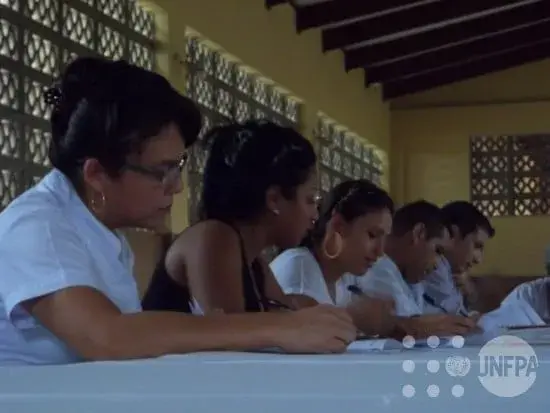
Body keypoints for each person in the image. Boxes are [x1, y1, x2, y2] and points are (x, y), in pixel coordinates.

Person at [0, 57, 356, 365]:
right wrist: (278, 327)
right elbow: (106, 336)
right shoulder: (38, 225)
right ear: (96, 174)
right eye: (162, 171)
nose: (177, 186)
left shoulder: (103, 234)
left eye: (179, 167)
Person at [142, 120, 323, 315]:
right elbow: (233, 332)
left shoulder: (255, 263)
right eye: (310, 199)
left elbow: (288, 315)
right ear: (274, 199)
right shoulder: (214, 238)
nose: (315, 215)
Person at [270, 179, 396, 335]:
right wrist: (354, 317)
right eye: (372, 235)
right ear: (338, 226)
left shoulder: (341, 281)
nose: (380, 251)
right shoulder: (299, 269)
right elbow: (297, 335)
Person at [356, 200, 478, 338]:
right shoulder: (377, 270)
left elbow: (425, 317)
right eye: (437, 251)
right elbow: (411, 325)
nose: (437, 264)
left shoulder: (410, 280)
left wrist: (464, 322)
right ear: (419, 233)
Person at [423, 201, 495, 315]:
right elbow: (458, 320)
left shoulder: (453, 275)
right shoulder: (433, 268)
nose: (478, 260)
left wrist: (470, 296)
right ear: (454, 234)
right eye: (477, 245)